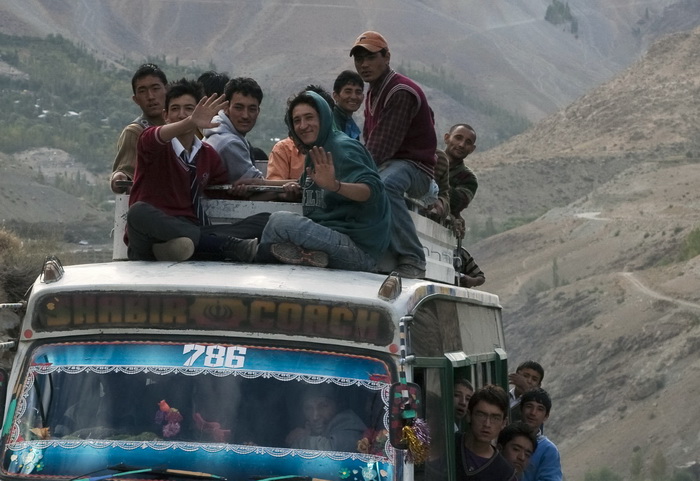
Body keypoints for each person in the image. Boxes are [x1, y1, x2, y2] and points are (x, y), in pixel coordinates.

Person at [126, 78, 262, 262]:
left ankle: (179, 248)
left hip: (190, 229)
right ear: (166, 115)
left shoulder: (208, 155)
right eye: (175, 109)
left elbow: (220, 192)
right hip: (150, 233)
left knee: (264, 221)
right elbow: (155, 135)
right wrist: (191, 121)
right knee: (138, 212)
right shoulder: (152, 144)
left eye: (189, 109)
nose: (182, 115)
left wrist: (239, 189)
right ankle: (222, 245)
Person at [256, 90, 390, 272]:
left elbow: (372, 190)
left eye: (309, 117)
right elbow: (304, 183)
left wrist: (335, 186)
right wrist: (259, 183)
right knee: (261, 220)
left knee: (279, 223)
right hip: (329, 235)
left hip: (358, 250)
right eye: (297, 120)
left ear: (324, 118)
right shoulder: (317, 151)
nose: (303, 126)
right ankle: (309, 255)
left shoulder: (342, 148)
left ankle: (257, 261)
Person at [350, 31, 437, 279]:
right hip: (392, 163)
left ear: (386, 57)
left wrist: (350, 177)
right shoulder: (374, 92)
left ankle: (413, 258)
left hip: (416, 168)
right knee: (362, 184)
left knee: (384, 186)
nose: (364, 65)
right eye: (359, 59)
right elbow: (371, 142)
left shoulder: (399, 91)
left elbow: (379, 149)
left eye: (370, 57)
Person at [110, 63, 168, 194]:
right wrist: (119, 177)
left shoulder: (183, 125)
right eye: (142, 91)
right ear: (136, 99)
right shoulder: (135, 132)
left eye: (155, 88)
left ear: (167, 90)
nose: (150, 96)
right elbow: (125, 171)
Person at [203, 77, 265, 183]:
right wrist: (293, 184)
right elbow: (256, 183)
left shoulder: (219, 129)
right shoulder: (229, 143)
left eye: (252, 109)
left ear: (258, 111)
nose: (245, 115)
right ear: (226, 107)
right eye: (238, 108)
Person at [455, 384, 516, 481]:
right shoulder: (448, 444)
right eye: (481, 415)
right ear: (469, 415)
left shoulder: (505, 474)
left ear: (503, 423)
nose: (487, 424)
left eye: (495, 418)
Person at [286, 386, 366, 452]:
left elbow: (332, 450)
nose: (315, 416)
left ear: (336, 406)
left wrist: (301, 440)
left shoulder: (348, 421)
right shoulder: (307, 427)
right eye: (308, 408)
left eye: (323, 406)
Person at [442, 124, 479, 238]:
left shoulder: (469, 178)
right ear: (447, 138)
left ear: (472, 149)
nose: (461, 145)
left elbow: (458, 202)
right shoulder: (426, 159)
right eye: (458, 138)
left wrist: (433, 183)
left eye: (468, 142)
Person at [520, 389, 563, 481]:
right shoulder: (507, 439)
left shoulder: (548, 449)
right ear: (521, 409)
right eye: (529, 406)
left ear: (546, 416)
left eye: (540, 409)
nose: (533, 413)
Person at [332, 70, 364, 140]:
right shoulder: (331, 122)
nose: (354, 97)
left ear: (363, 97)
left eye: (358, 92)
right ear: (336, 96)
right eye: (348, 92)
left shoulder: (349, 122)